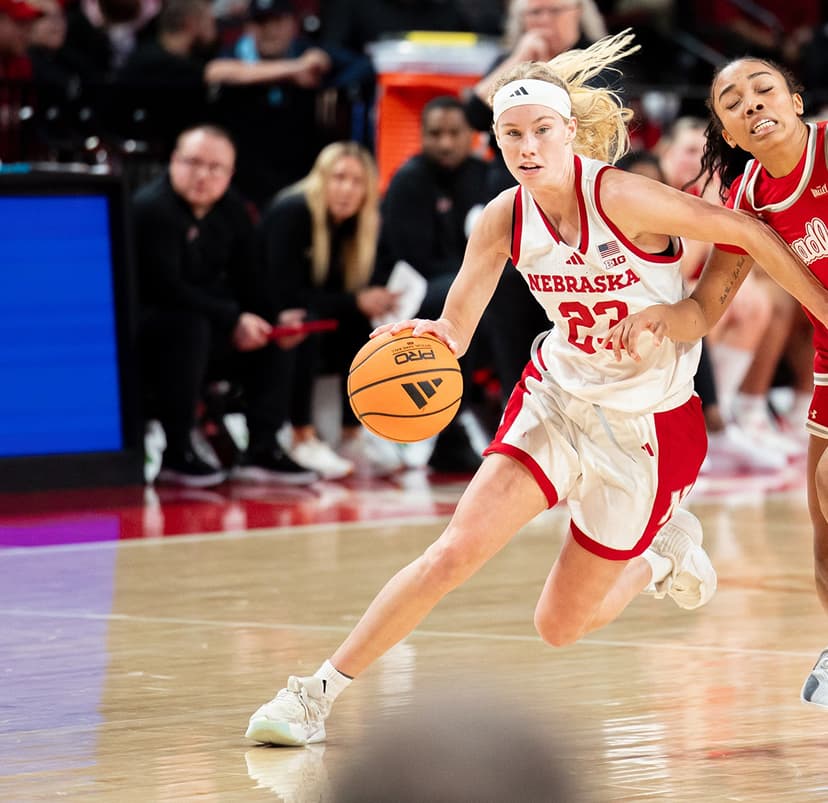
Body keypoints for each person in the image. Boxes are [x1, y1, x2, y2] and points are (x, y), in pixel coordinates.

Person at [244, 31, 828, 747]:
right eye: (511, 133)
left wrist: (685, 319)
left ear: (569, 132)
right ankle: (314, 693)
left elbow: (748, 232)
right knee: (451, 553)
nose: (526, 147)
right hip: (556, 396)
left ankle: (659, 552)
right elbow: (456, 328)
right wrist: (425, 337)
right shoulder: (501, 218)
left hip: (649, 425)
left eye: (541, 131)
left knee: (558, 627)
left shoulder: (624, 197)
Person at [610, 56, 828, 707]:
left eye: (764, 89)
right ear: (727, 134)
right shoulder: (748, 203)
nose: (751, 102)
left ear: (794, 99)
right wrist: (660, 318)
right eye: (731, 101)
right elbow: (707, 308)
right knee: (822, 536)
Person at [133, 123, 317, 488]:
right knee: (189, 326)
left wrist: (272, 318)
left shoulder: (231, 208)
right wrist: (233, 319)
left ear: (230, 173)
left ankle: (263, 447)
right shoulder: (150, 209)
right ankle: (177, 450)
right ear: (172, 161)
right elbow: (166, 288)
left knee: (276, 333)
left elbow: (252, 276)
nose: (203, 174)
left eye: (215, 168)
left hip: (211, 325)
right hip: (153, 333)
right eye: (192, 162)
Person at [259, 140, 404, 479]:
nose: (346, 189)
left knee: (359, 324)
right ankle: (300, 435)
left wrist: (366, 302)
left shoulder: (357, 226)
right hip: (265, 315)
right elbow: (285, 295)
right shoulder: (292, 212)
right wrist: (356, 301)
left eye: (357, 182)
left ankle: (352, 435)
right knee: (307, 323)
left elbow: (337, 295)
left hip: (306, 315)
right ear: (321, 179)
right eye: (339, 178)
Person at [376, 95, 491, 473]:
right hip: (408, 295)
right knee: (460, 299)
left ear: (471, 136)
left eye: (454, 133)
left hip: (464, 288)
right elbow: (416, 261)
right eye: (435, 133)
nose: (444, 143)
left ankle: (508, 410)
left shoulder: (484, 176)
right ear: (422, 136)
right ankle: (450, 426)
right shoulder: (408, 180)